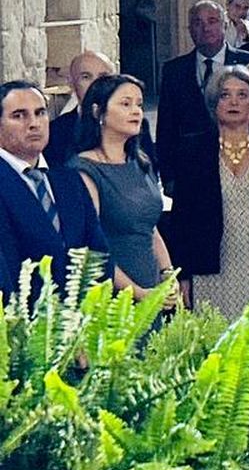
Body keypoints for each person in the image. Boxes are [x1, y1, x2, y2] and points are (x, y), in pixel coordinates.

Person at [167, 66, 249, 319]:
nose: (234, 102)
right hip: (210, 270)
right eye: (225, 95)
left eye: (242, 95)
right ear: (214, 103)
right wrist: (182, 275)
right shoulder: (192, 151)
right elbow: (182, 218)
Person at [69, 75, 177, 305]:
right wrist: (138, 293)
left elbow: (150, 228)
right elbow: (91, 246)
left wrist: (168, 274)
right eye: (125, 104)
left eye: (139, 104)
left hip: (151, 285)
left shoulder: (139, 161)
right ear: (98, 112)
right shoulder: (84, 169)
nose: (136, 111)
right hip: (113, 296)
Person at [0, 80, 107, 298]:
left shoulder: (69, 180)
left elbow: (98, 252)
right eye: (19, 115)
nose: (34, 123)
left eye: (40, 113)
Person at [156, 0, 249, 181]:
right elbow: (166, 127)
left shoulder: (248, 63)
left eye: (212, 21)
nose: (205, 28)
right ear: (190, 29)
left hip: (239, 165)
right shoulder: (174, 70)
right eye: (198, 23)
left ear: (224, 25)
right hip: (190, 170)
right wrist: (168, 176)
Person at [47, 51, 155, 171]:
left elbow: (150, 170)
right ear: (72, 83)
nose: (95, 83)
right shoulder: (56, 130)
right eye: (86, 77)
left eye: (103, 77)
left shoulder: (136, 124)